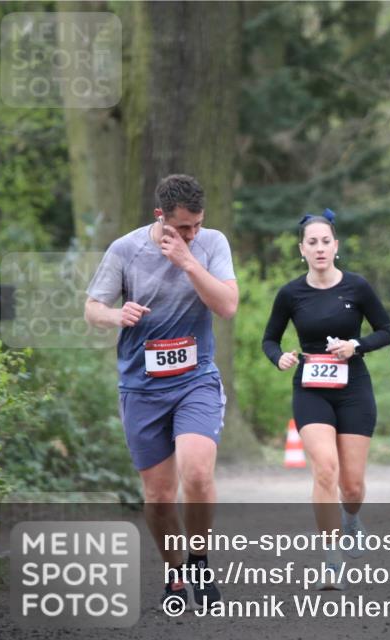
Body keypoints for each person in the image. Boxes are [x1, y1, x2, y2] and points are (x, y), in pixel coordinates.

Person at [85, 174, 238, 611]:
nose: (190, 234)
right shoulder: (125, 249)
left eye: (196, 225)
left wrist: (189, 261)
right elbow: (92, 308)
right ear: (160, 216)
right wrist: (117, 316)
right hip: (142, 386)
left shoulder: (211, 244)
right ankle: (175, 578)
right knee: (157, 496)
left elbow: (227, 306)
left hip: (196, 381)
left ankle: (200, 561)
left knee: (198, 474)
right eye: (181, 228)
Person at [262, 208, 390, 586]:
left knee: (351, 486)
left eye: (325, 242)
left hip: (353, 388)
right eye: (311, 243)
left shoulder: (357, 287)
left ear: (336, 246)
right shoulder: (290, 293)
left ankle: (351, 517)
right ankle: (331, 558)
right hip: (311, 389)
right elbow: (269, 338)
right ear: (302, 250)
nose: (319, 249)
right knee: (325, 470)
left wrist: (357, 345)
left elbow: (386, 330)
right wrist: (280, 357)